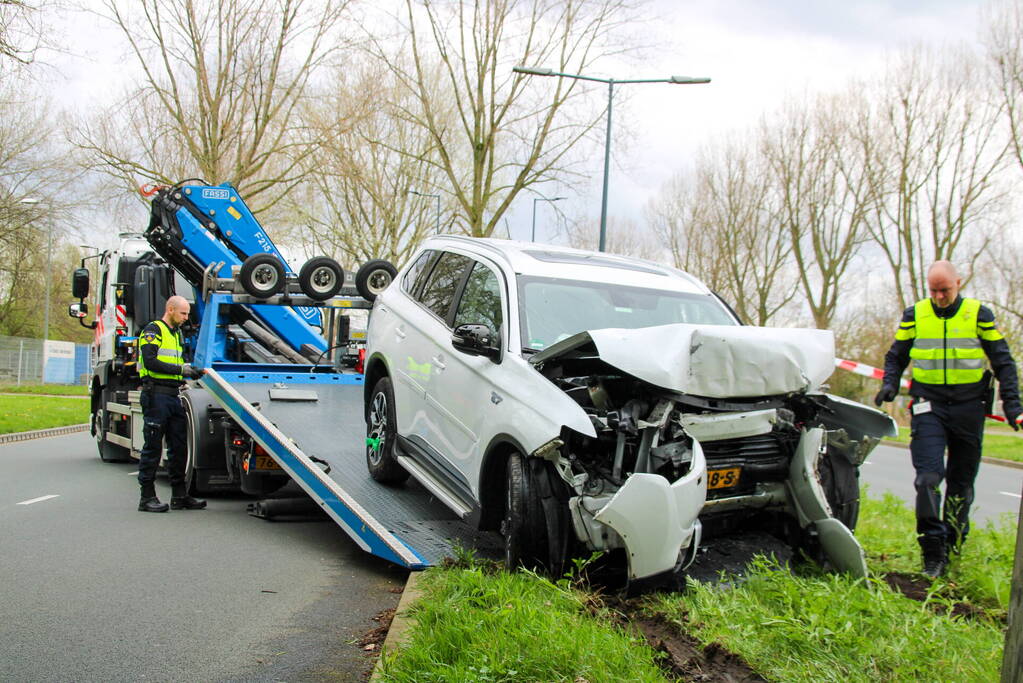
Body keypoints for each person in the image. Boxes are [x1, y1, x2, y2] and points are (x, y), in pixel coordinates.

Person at [875, 261, 1020, 577]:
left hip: (969, 408)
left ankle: (953, 546)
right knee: (927, 479)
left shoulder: (978, 314)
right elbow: (896, 355)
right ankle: (932, 552)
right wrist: (890, 382)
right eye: (934, 290)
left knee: (961, 484)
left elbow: (1004, 362)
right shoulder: (915, 315)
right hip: (929, 405)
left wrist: (1013, 406)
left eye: (946, 290)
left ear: (959, 282)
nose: (940, 296)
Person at [136, 295, 207, 513]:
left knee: (178, 447)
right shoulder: (154, 330)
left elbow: (175, 363)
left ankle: (180, 495)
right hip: (156, 395)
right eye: (183, 313)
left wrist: (191, 371)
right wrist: (181, 370)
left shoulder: (176, 334)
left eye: (187, 314)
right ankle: (146, 498)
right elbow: (150, 361)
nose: (186, 318)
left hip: (173, 395)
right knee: (153, 446)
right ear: (170, 309)